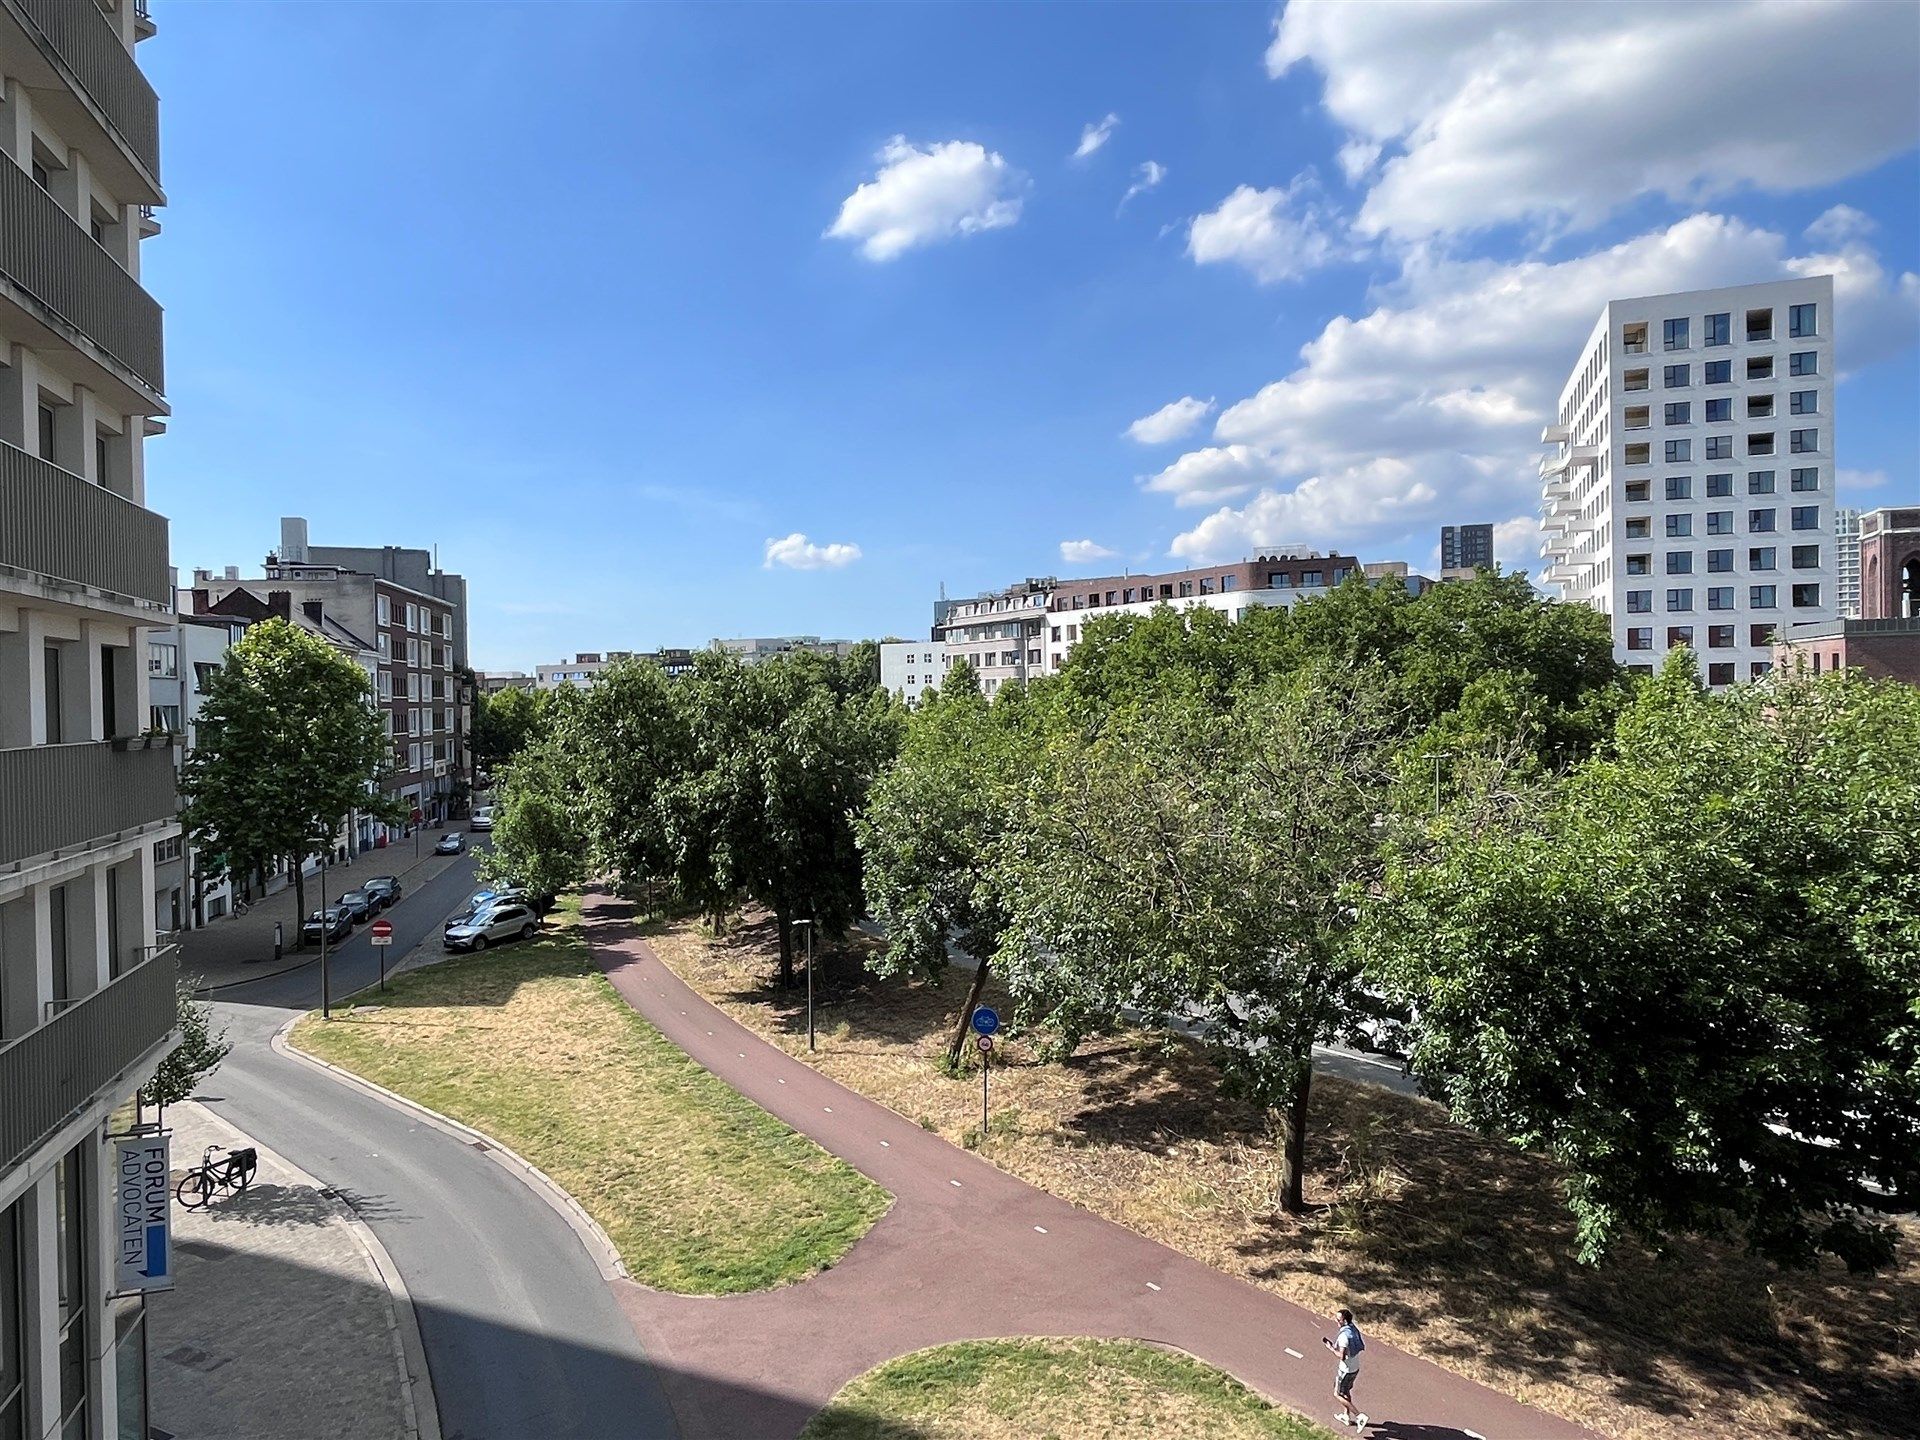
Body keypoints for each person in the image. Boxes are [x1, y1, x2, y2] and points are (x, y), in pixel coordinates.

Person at [1323, 1307, 1367, 1430]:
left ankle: (1359, 1416)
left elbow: (1341, 1356)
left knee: (1337, 1394)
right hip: (1355, 1368)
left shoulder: (1343, 1337)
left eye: (1339, 1319)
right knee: (1346, 1391)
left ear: (1345, 1321)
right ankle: (1346, 1416)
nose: (1337, 1321)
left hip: (1345, 1370)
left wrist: (1331, 1348)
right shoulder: (1353, 1330)